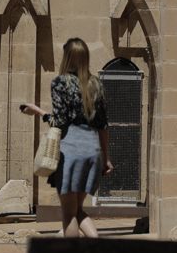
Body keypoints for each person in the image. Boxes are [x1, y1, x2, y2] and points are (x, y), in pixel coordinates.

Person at [21, 37, 113, 238]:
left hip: (71, 149)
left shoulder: (60, 82)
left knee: (69, 214)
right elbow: (103, 125)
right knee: (78, 210)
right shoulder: (96, 84)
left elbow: (60, 120)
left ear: (68, 57)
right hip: (92, 150)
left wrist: (38, 112)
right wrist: (106, 157)